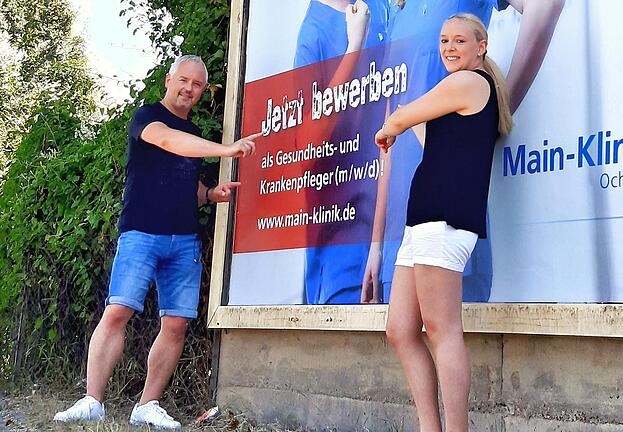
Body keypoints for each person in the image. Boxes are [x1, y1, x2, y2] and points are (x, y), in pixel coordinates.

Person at [53, 55, 258, 428]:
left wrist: (211, 194)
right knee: (117, 313)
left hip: (183, 240)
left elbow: (187, 182)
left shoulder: (192, 133)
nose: (189, 89)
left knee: (176, 324)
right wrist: (226, 149)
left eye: (197, 85)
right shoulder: (147, 117)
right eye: (183, 81)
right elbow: (169, 142)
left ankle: (147, 406)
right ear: (168, 80)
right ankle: (92, 401)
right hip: (140, 234)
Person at [361, 0, 564, 304]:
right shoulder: (398, 12)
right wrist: (376, 246)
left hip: (448, 215)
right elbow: (388, 140)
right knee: (401, 334)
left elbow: (545, 4)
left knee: (447, 336)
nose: (449, 47)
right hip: (403, 227)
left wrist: (498, 110)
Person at [376, 14, 511, 432]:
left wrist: (390, 127)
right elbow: (421, 129)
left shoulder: (471, 83)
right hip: (422, 222)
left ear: (481, 46)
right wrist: (400, 123)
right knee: (400, 329)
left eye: (459, 41)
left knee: (442, 329)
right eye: (444, 40)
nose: (449, 48)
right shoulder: (457, 92)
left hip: (446, 222)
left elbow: (401, 118)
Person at [294, 0, 389, 304]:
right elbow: (306, 145)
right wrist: (354, 47)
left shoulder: (380, 6)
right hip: (341, 250)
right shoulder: (314, 34)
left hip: (397, 233)